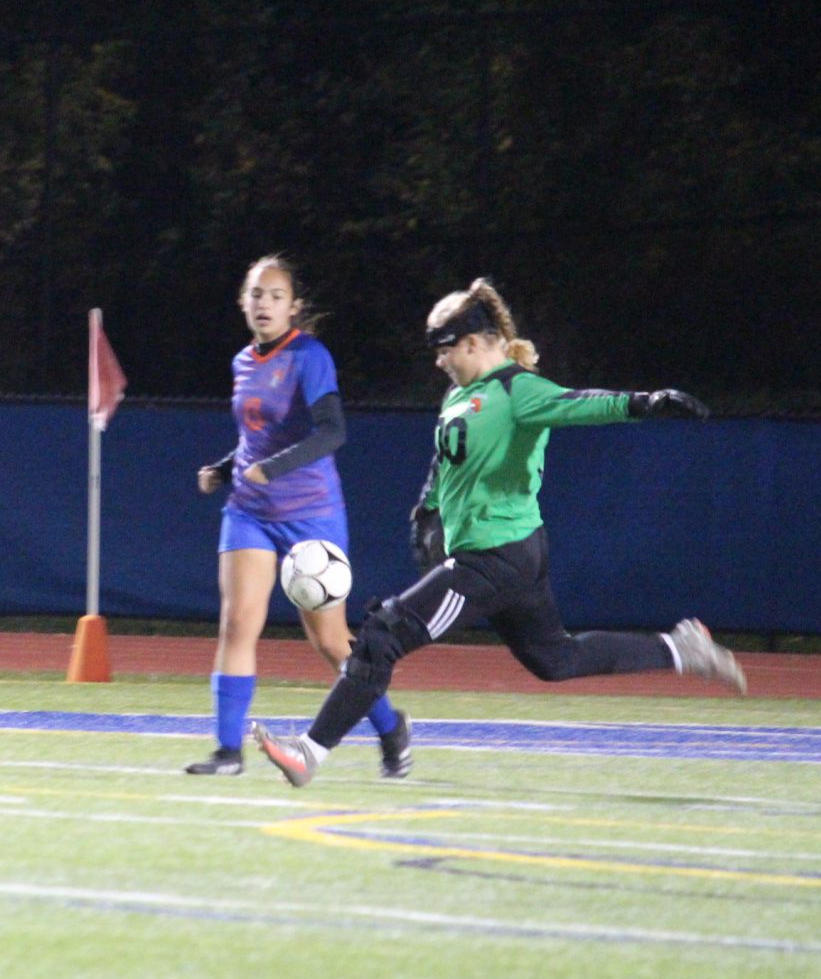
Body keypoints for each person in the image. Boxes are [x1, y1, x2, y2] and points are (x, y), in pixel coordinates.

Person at [251, 277, 747, 787]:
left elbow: (582, 404)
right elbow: (446, 463)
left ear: (471, 342)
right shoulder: (459, 394)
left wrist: (646, 403)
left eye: (444, 349)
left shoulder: (517, 390)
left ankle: (309, 752)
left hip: (495, 557)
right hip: (510, 554)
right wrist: (429, 509)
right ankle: (681, 648)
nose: (438, 361)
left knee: (382, 634)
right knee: (555, 658)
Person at [185, 253, 411, 777]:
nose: (264, 303)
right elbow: (255, 440)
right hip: (249, 510)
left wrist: (275, 466)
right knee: (238, 622)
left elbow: (332, 432)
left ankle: (389, 728)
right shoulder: (244, 361)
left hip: (311, 513)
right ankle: (227, 752)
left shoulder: (310, 355)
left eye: (275, 295)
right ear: (243, 302)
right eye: (256, 294)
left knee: (331, 641)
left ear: (294, 307)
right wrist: (223, 470)